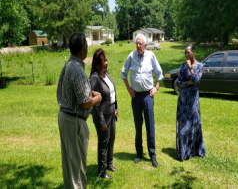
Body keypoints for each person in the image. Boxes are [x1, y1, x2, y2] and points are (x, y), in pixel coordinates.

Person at [57, 32, 102, 189]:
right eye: (87, 46)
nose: (88, 48)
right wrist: (98, 98)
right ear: (82, 50)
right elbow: (84, 103)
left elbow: (77, 92)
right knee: (77, 167)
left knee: (69, 163)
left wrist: (90, 92)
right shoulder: (76, 69)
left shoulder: (70, 64)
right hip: (73, 121)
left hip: (66, 116)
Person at [121, 33, 163, 168]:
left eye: (140, 44)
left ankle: (152, 155)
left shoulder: (151, 56)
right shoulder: (131, 56)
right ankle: (139, 153)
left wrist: (156, 87)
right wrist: (128, 88)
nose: (138, 46)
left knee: (150, 126)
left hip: (148, 96)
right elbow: (123, 73)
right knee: (138, 126)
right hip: (136, 97)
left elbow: (159, 73)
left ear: (145, 45)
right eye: (137, 43)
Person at [90, 48, 118, 179]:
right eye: (104, 60)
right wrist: (101, 122)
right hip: (102, 116)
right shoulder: (95, 78)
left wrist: (116, 109)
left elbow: (113, 92)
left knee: (111, 139)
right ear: (97, 63)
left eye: (106, 60)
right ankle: (102, 171)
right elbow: (94, 103)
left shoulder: (107, 74)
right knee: (103, 142)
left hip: (111, 114)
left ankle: (109, 164)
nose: (106, 62)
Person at [176, 44, 206, 161]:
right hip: (183, 99)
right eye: (185, 53)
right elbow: (179, 82)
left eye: (188, 52)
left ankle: (194, 150)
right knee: (183, 125)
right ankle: (183, 152)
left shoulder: (199, 65)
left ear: (193, 52)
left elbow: (196, 81)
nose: (186, 54)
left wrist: (190, 68)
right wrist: (187, 83)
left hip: (193, 99)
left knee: (194, 124)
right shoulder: (182, 66)